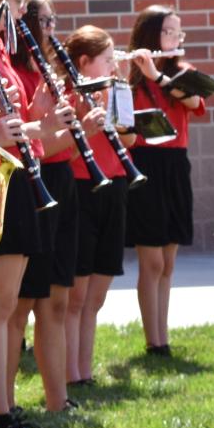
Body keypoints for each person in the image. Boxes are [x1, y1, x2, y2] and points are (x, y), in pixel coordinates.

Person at [7, 0, 82, 415]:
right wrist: (63, 131)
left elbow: (62, 148)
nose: (53, 29)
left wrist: (82, 129)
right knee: (20, 303)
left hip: (61, 182)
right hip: (36, 181)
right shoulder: (20, 74)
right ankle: (6, 405)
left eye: (54, 20)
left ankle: (59, 398)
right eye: (46, 21)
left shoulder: (50, 71)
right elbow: (38, 141)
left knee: (57, 299)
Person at [124, 5, 204, 357]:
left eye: (178, 33)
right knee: (152, 261)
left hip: (175, 165)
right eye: (169, 32)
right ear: (151, 34)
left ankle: (163, 336)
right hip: (144, 165)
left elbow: (196, 100)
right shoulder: (130, 80)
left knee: (168, 262)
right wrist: (140, 72)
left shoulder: (183, 72)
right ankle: (152, 340)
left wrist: (157, 74)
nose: (176, 39)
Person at [61, 25, 135, 386]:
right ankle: (71, 373)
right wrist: (88, 128)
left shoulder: (117, 89)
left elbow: (132, 137)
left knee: (97, 294)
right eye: (106, 60)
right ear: (84, 62)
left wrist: (120, 116)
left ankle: (85, 370)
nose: (112, 66)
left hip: (116, 183)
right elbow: (64, 151)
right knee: (76, 294)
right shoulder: (68, 94)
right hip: (80, 185)